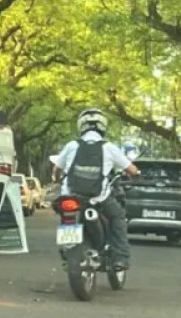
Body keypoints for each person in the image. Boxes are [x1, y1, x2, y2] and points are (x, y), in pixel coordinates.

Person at [51, 108, 140, 271]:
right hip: (98, 198)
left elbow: (56, 170)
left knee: (66, 214)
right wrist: (136, 173)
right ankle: (120, 257)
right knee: (118, 217)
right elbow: (132, 170)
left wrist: (56, 180)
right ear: (103, 127)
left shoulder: (71, 145)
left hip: (70, 197)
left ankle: (66, 248)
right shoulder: (109, 147)